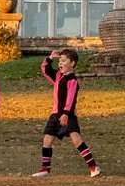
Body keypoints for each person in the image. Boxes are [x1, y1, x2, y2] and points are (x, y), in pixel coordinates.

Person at [35, 49, 100, 178]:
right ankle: (45, 168)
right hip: (55, 114)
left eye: (63, 60)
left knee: (76, 140)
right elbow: (45, 70)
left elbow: (71, 100)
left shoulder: (72, 81)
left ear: (72, 63)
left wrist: (65, 114)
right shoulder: (58, 77)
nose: (60, 63)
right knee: (47, 140)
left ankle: (93, 166)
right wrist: (50, 58)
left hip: (68, 115)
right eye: (59, 61)